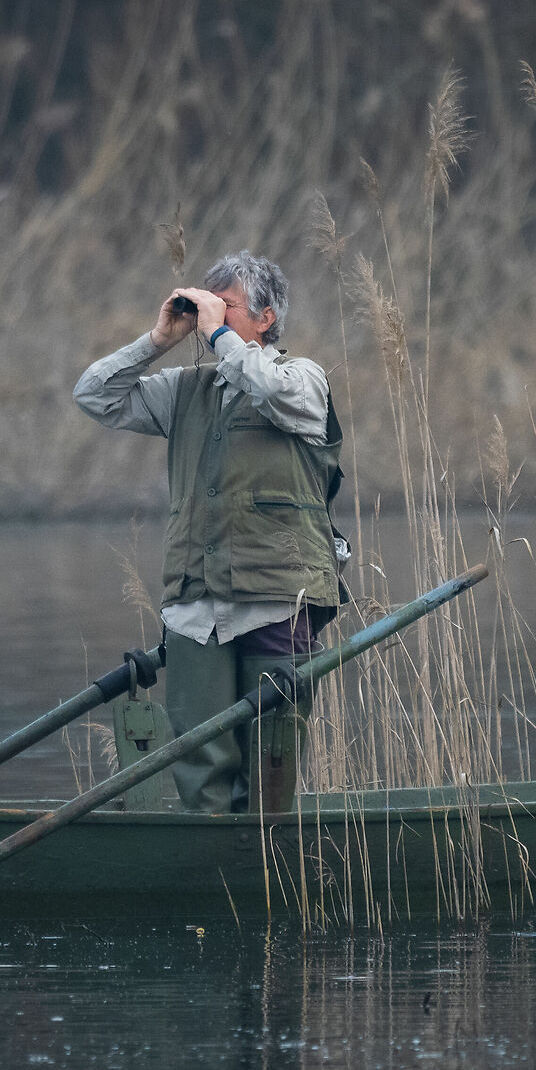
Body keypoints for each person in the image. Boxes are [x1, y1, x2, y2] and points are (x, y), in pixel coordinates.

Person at [72, 250, 343, 814]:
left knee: (270, 770)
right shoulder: (187, 389)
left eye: (225, 306)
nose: (207, 319)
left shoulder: (303, 379)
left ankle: (268, 877)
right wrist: (157, 340)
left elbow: (269, 390)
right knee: (200, 770)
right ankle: (213, 875)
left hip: (277, 597)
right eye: (205, 306)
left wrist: (220, 335)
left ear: (265, 318)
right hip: (196, 605)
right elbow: (95, 396)